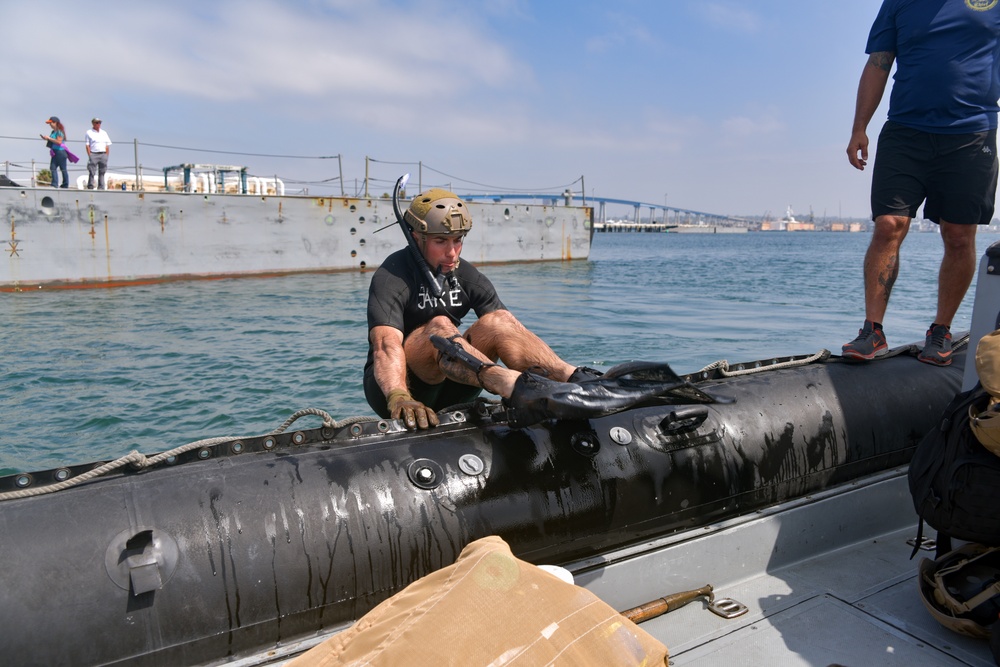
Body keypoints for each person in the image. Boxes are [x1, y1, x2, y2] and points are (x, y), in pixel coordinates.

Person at [842, 0, 1000, 366]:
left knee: (959, 234)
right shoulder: (898, 2)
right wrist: (859, 127)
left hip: (971, 135)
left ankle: (941, 331)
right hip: (905, 132)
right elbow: (878, 63)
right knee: (888, 225)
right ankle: (872, 331)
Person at [364, 188, 598, 429]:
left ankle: (577, 380)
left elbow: (509, 330)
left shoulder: (466, 275)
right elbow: (385, 345)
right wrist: (398, 396)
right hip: (399, 389)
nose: (452, 252)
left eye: (458, 240)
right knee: (440, 325)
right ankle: (510, 385)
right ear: (416, 238)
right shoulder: (391, 276)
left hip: (454, 383)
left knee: (499, 321)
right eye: (440, 241)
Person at [40, 116, 68, 188]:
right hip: (55, 152)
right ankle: (54, 184)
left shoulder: (60, 131)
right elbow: (52, 140)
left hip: (60, 152)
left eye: (51, 123)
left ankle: (65, 184)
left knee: (63, 168)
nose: (50, 125)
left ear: (55, 123)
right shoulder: (53, 132)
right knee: (53, 167)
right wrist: (46, 138)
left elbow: (58, 142)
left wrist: (49, 138)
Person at [84, 117, 112, 190]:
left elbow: (107, 145)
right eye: (97, 122)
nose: (98, 124)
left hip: (103, 153)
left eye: (99, 122)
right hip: (94, 153)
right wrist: (90, 155)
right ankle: (90, 186)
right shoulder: (89, 132)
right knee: (92, 171)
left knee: (102, 171)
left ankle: (101, 187)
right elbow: (87, 145)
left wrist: (106, 155)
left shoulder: (104, 133)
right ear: (93, 123)